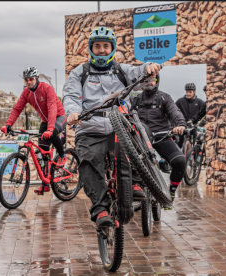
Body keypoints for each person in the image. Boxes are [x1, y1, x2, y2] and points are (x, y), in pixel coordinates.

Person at [63, 26, 161, 229]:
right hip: (90, 128)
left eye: (105, 46)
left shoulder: (121, 70)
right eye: (96, 46)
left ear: (112, 48)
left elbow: (140, 73)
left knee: (139, 141)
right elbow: (71, 96)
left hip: (120, 125)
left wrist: (149, 68)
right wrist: (72, 112)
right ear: (90, 48)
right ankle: (100, 210)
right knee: (88, 161)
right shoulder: (79, 73)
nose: (101, 51)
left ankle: (136, 183)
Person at [1, 67, 67, 194]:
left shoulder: (46, 88)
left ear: (36, 78)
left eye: (31, 79)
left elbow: (52, 108)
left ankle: (62, 155)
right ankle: (45, 184)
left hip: (59, 117)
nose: (29, 82)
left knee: (52, 134)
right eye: (26, 80)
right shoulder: (26, 92)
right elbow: (17, 109)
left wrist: (51, 128)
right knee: (42, 154)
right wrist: (8, 124)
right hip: (44, 122)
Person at [130, 74, 187, 210]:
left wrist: (180, 124)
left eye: (152, 79)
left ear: (157, 81)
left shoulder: (164, 97)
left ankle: (171, 191)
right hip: (141, 138)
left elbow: (174, 111)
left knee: (180, 161)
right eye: (146, 80)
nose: (149, 82)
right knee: (127, 163)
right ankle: (133, 191)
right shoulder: (135, 99)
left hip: (161, 136)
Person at [175, 83, 207, 149]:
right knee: (178, 144)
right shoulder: (180, 101)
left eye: (190, 92)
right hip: (182, 126)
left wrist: (197, 122)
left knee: (196, 144)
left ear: (194, 92)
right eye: (187, 92)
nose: (188, 94)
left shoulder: (200, 102)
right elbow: (174, 111)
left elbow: (201, 115)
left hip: (194, 126)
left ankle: (195, 156)